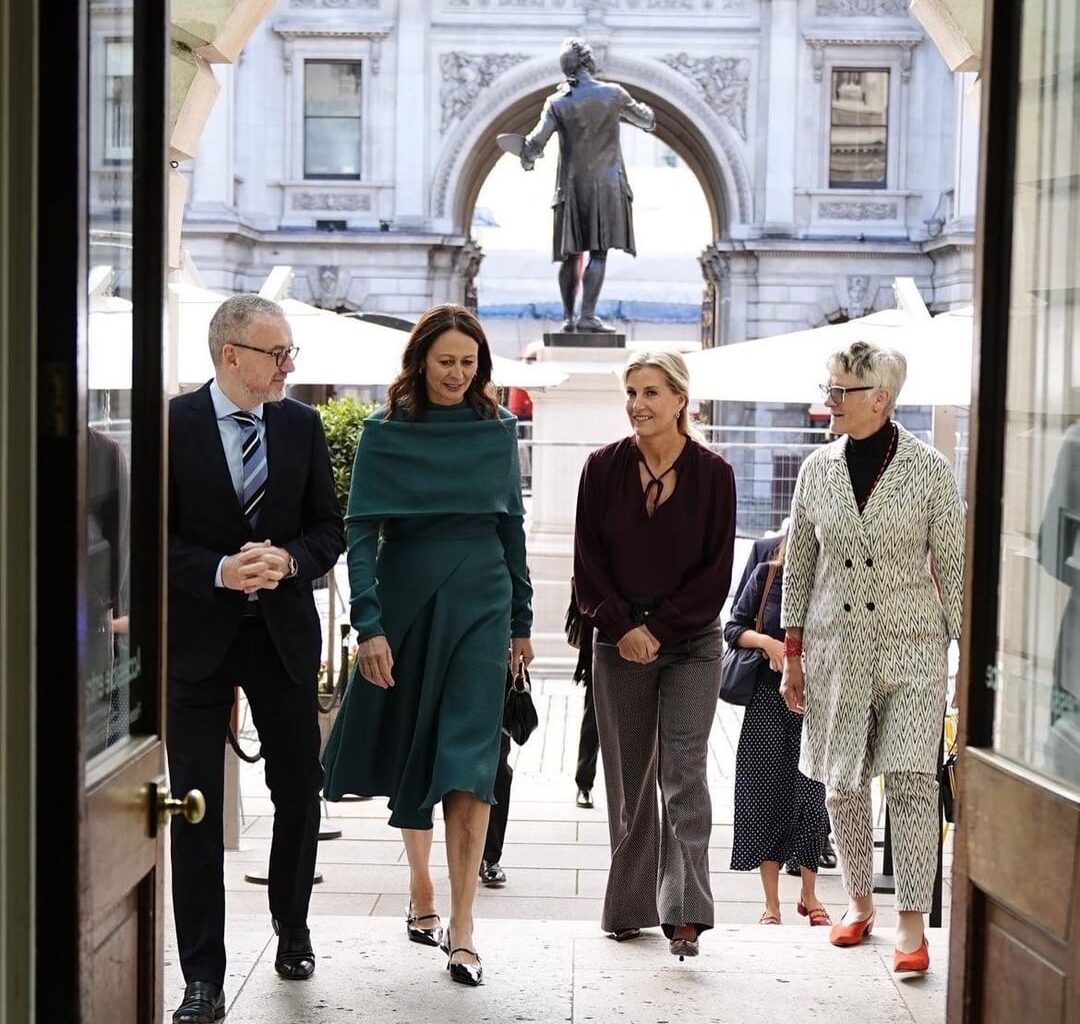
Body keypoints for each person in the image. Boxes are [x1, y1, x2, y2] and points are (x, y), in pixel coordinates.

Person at [321, 304, 534, 988]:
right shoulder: (385, 432)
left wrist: (523, 621)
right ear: (420, 361)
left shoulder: (498, 429)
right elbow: (361, 533)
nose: (457, 373)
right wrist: (369, 625)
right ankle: (421, 885)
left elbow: (513, 529)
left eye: (469, 363)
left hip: (483, 597)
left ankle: (465, 930)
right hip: (407, 596)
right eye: (446, 361)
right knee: (418, 743)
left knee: (469, 756)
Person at [167, 295, 345, 1024]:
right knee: (195, 809)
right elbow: (153, 539)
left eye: (290, 352)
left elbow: (330, 530)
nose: (289, 367)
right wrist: (218, 570)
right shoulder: (171, 426)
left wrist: (289, 559)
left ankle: (292, 926)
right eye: (278, 354)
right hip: (199, 640)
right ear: (230, 355)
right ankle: (201, 977)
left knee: (299, 791)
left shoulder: (300, 425)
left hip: (281, 637)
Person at [779, 341, 964, 974]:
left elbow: (954, 569)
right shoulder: (817, 469)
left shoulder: (930, 469)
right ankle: (859, 902)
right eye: (829, 388)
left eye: (839, 390)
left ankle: (912, 927)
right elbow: (799, 565)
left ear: (878, 399)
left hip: (912, 649)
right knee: (843, 785)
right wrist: (792, 653)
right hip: (834, 651)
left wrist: (963, 669)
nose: (827, 400)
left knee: (913, 782)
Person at [573, 350, 736, 960]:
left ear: (679, 400)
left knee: (685, 773)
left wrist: (658, 630)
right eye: (632, 393)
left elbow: (715, 575)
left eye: (650, 393)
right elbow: (588, 564)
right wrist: (623, 626)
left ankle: (687, 913)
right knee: (631, 780)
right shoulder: (601, 468)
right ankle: (632, 905)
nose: (638, 405)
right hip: (618, 642)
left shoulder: (714, 474)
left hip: (691, 644)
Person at [725, 536, 831, 926]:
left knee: (811, 798)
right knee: (765, 797)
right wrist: (770, 644)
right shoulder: (768, 573)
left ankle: (810, 895)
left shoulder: (832, 581)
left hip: (815, 703)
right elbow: (733, 627)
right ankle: (772, 904)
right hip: (767, 702)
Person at [520, 37, 655, 333]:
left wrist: (527, 155)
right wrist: (645, 110)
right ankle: (588, 315)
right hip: (608, 185)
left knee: (571, 253)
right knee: (598, 251)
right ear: (587, 61)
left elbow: (536, 141)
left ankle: (568, 318)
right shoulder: (613, 94)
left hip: (571, 188)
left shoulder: (557, 102)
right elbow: (646, 120)